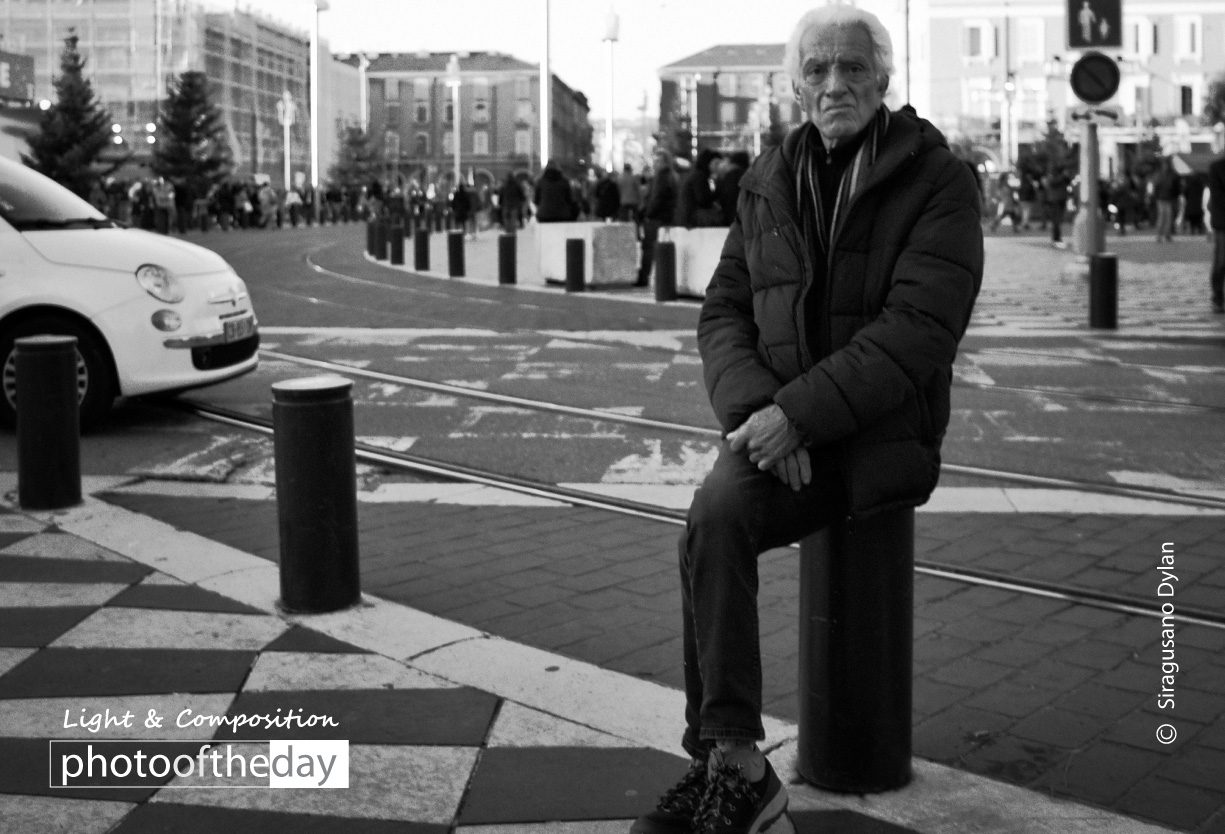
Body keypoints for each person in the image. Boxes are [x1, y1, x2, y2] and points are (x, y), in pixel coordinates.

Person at [630, 6, 983, 833]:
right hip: (780, 429)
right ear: (794, 87)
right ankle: (730, 760)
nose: (834, 85)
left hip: (876, 437)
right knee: (712, 518)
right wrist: (759, 411)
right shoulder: (769, 177)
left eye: (852, 68)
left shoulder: (937, 178)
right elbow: (722, 310)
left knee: (718, 517)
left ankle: (729, 772)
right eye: (816, 70)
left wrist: (798, 416)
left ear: (882, 80)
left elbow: (919, 328)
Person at [636, 148, 679, 286]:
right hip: (667, 217)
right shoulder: (673, 176)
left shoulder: (661, 177)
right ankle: (663, 279)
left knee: (648, 248)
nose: (654, 164)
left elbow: (656, 198)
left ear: (664, 162)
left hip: (655, 218)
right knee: (663, 249)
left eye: (657, 161)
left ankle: (643, 277)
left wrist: (647, 214)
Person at [674, 148, 724, 228]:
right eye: (716, 163)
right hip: (692, 218)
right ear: (708, 163)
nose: (718, 167)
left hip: (688, 216)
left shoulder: (698, 175)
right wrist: (718, 190)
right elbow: (703, 199)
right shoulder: (700, 176)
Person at [1208, 151, 1225, 314]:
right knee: (1221, 261)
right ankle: (1218, 297)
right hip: (1223, 222)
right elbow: (1218, 197)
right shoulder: (1217, 168)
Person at [715, 151, 749, 226]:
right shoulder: (748, 175)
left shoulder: (730, 175)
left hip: (730, 213)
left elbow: (724, 194)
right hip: (745, 213)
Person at [1153, 156, 1179, 242]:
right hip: (1162, 198)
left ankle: (1165, 234)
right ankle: (1161, 235)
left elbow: (1175, 186)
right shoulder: (1163, 175)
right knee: (1164, 216)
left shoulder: (1165, 174)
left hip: (1166, 198)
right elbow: (1157, 187)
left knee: (1167, 217)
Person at [1042, 166, 1070, 247]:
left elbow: (1068, 181)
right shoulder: (1053, 178)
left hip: (1059, 200)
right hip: (1055, 201)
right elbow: (1053, 183)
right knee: (1056, 220)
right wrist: (1063, 176)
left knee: (1057, 220)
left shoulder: (1060, 178)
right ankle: (1056, 238)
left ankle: (1056, 238)